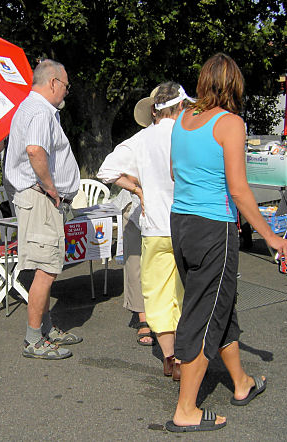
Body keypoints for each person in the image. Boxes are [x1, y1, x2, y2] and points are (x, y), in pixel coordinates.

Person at [166, 53, 287, 432]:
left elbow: (175, 174)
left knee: (218, 304)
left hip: (182, 224)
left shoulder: (182, 120)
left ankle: (241, 383)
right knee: (204, 313)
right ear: (234, 85)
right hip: (213, 229)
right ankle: (185, 410)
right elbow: (239, 190)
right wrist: (271, 236)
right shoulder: (230, 123)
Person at [98, 82, 195, 379]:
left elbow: (106, 171)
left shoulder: (140, 139)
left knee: (158, 294)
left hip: (154, 228)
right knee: (187, 293)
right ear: (180, 106)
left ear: (155, 110)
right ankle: (187, 356)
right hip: (187, 225)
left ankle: (170, 358)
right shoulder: (188, 134)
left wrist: (137, 188)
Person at [4, 59, 82, 360]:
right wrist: (51, 187)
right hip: (39, 198)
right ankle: (34, 339)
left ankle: (45, 328)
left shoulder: (35, 109)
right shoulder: (39, 111)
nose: (66, 92)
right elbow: (35, 150)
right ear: (53, 83)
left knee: (47, 266)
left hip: (39, 198)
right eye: (66, 86)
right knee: (46, 269)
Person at [97, 86, 160, 347]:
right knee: (136, 263)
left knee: (164, 263)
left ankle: (167, 315)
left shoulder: (181, 139)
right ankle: (143, 318)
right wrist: (137, 188)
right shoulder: (139, 141)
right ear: (153, 112)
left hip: (167, 212)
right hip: (136, 209)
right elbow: (108, 171)